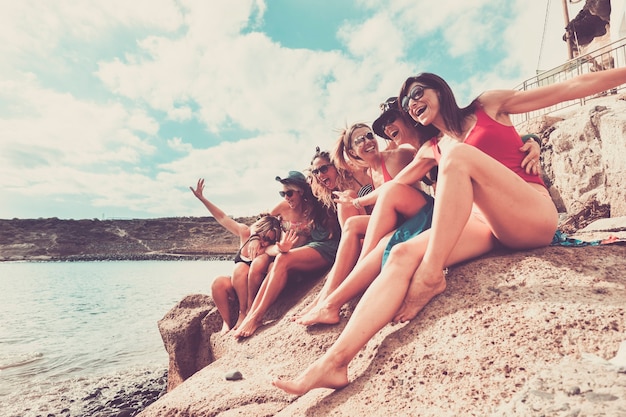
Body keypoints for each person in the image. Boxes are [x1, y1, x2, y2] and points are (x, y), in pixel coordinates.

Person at [271, 65, 618, 394]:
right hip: (487, 228)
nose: (412, 103)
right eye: (408, 102)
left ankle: (432, 275)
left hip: (532, 213)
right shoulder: (433, 147)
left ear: (439, 88)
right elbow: (396, 185)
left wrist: (535, 142)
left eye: (417, 92)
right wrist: (357, 204)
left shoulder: (487, 106)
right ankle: (335, 362)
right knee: (403, 253)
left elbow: (570, 88)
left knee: (457, 158)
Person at [294, 124, 430, 322]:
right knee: (351, 225)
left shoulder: (397, 156)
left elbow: (422, 151)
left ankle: (339, 292)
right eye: (360, 140)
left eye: (369, 136)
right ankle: (326, 297)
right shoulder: (371, 172)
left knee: (361, 205)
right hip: (397, 220)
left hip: (417, 215)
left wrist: (357, 201)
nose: (367, 141)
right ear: (352, 151)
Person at [233, 171, 341, 338]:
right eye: (282, 193)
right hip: (297, 250)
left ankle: (255, 317)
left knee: (282, 260)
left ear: (301, 191)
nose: (286, 197)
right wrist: (255, 237)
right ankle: (251, 313)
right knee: (268, 262)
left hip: (323, 249)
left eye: (289, 193)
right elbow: (260, 222)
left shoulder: (320, 203)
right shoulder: (288, 206)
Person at [189, 178, 281, 334]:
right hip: (237, 288)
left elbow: (274, 250)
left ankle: (243, 313)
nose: (265, 242)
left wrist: (280, 248)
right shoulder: (245, 232)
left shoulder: (268, 247)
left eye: (270, 239)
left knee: (240, 267)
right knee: (218, 282)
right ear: (257, 231)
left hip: (254, 291)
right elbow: (223, 218)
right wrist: (202, 199)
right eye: (263, 237)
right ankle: (226, 322)